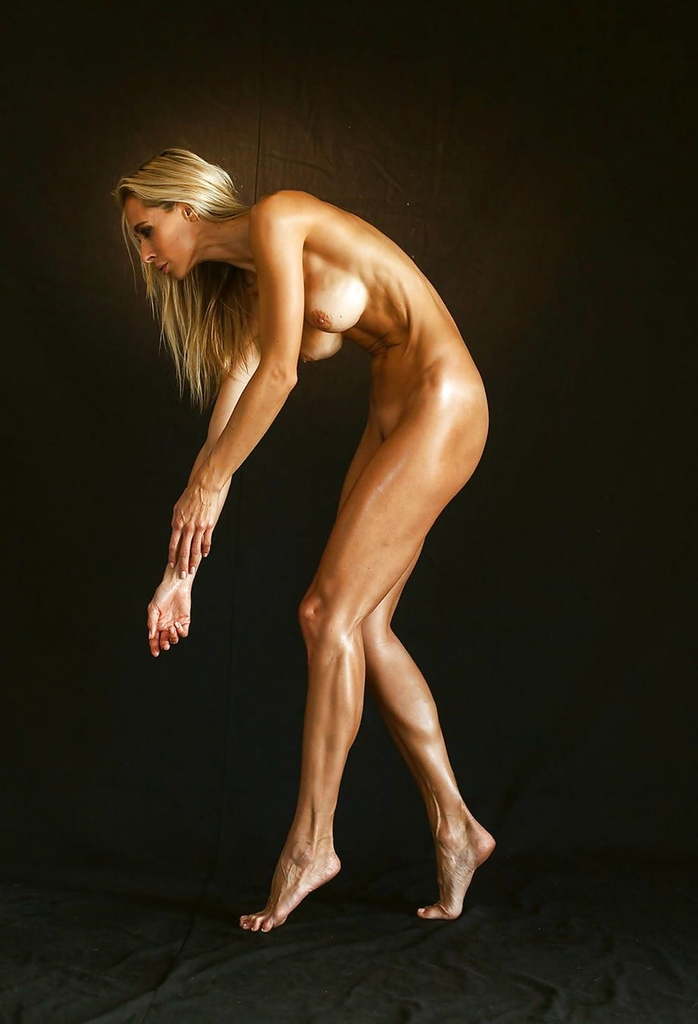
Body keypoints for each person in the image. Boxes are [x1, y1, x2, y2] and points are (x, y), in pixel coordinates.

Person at [114, 147, 496, 934]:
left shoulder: (282, 216)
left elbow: (281, 376)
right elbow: (232, 411)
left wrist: (211, 480)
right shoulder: (253, 284)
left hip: (443, 399)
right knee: (365, 629)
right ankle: (458, 828)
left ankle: (312, 844)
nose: (145, 253)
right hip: (393, 414)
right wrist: (179, 575)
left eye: (147, 230)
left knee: (326, 615)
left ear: (187, 209)